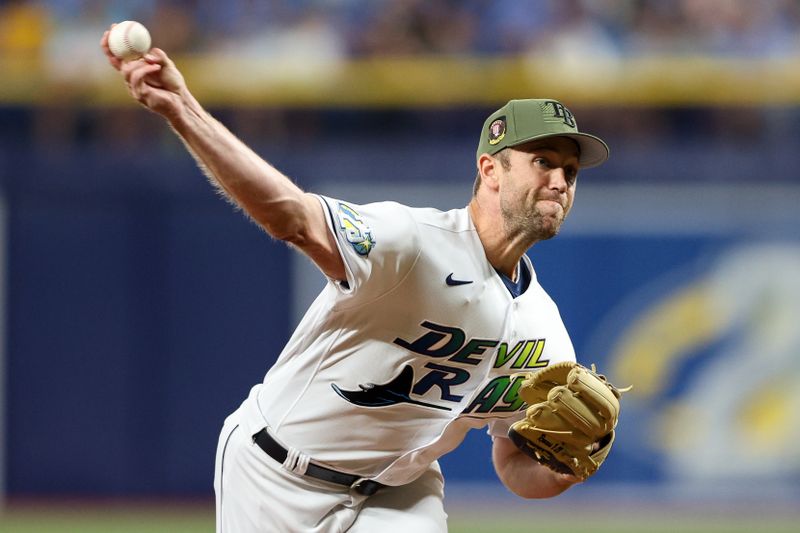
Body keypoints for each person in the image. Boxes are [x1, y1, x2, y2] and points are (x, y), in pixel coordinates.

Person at [101, 25, 610, 533]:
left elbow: (513, 465)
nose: (559, 181)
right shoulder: (411, 242)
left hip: (399, 496)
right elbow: (291, 218)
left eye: (570, 171)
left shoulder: (545, 333)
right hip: (273, 473)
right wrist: (184, 110)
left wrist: (565, 467)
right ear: (491, 170)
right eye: (542, 161)